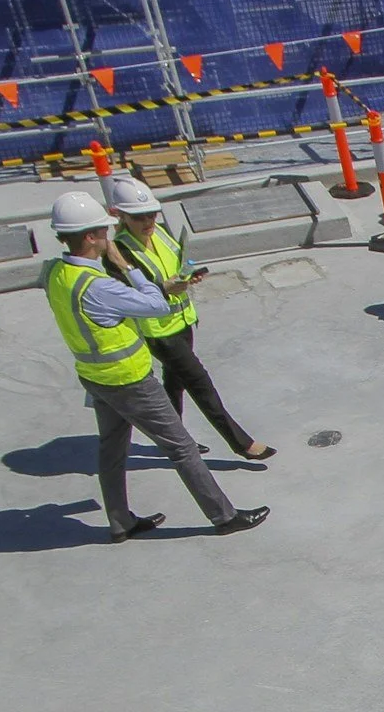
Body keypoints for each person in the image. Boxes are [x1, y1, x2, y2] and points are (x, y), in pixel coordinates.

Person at [42, 190, 265, 539]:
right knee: (183, 448)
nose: (108, 236)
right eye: (103, 231)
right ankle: (224, 517)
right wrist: (127, 266)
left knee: (112, 450)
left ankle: (121, 522)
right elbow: (157, 304)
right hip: (129, 379)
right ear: (90, 237)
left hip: (94, 377)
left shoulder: (55, 272)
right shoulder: (98, 286)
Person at [106, 177, 274, 463]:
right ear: (120, 216)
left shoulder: (160, 234)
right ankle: (241, 442)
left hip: (183, 322)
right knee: (199, 382)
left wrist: (188, 277)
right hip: (160, 332)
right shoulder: (119, 254)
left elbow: (174, 265)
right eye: (139, 217)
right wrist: (164, 289)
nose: (148, 222)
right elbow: (131, 298)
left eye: (151, 214)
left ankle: (173, 437)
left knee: (175, 383)